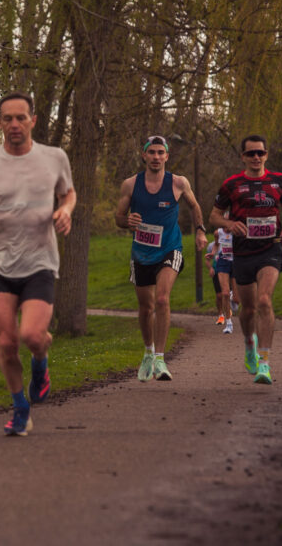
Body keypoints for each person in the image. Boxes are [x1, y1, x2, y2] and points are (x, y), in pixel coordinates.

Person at [0, 91, 76, 436]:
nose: (14, 124)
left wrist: (65, 211)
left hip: (40, 260)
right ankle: (20, 408)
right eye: (7, 118)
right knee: (7, 343)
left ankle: (41, 361)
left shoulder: (54, 157)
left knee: (33, 336)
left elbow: (68, 193)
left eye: (20, 118)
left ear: (33, 120)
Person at [114, 135, 208, 382]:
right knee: (146, 307)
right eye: (151, 152)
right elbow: (119, 217)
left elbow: (194, 206)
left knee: (162, 299)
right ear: (144, 155)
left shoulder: (178, 183)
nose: (156, 157)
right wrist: (127, 221)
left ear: (167, 156)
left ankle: (160, 358)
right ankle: (148, 352)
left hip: (170, 248)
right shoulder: (130, 185)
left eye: (160, 152)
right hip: (141, 252)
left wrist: (200, 231)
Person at [209, 134, 282, 384]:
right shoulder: (232, 184)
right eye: (251, 153)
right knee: (247, 309)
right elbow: (214, 216)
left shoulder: (280, 181)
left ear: (266, 155)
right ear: (243, 157)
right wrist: (230, 224)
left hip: (270, 249)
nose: (256, 157)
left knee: (265, 300)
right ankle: (250, 343)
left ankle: (264, 363)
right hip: (243, 252)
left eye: (260, 152)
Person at [211, 213, 236, 334]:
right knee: (224, 293)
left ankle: (234, 297)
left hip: (236, 262)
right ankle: (229, 324)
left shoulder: (238, 232)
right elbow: (216, 245)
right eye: (224, 222)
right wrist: (212, 253)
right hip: (223, 261)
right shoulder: (218, 233)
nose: (226, 226)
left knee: (236, 298)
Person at [204, 242, 226, 326]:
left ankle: (228, 309)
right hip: (216, 271)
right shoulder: (211, 246)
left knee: (228, 293)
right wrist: (210, 268)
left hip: (227, 271)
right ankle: (221, 315)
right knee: (219, 295)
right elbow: (207, 260)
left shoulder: (229, 242)